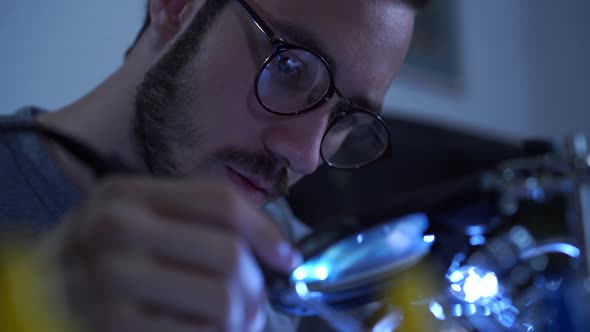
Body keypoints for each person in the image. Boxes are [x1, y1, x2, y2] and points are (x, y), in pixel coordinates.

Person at [0, 0, 427, 330]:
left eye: (346, 118)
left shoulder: (306, 271)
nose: (305, 155)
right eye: (290, 66)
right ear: (177, 6)